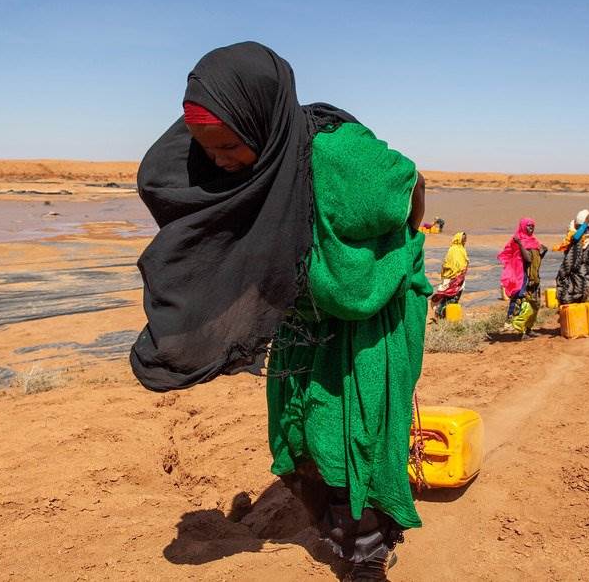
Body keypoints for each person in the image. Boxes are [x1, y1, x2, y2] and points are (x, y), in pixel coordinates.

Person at [129, 42, 430, 581]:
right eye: (205, 146)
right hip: (303, 317)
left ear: (260, 124)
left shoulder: (339, 156)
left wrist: (398, 252)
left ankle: (366, 555)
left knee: (353, 429)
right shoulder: (260, 157)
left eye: (226, 147)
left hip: (366, 314)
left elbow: (410, 184)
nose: (217, 161)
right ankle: (343, 529)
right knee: (308, 430)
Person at [497, 218, 547, 336]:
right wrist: (520, 244)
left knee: (534, 304)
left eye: (533, 226)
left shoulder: (534, 241)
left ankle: (528, 328)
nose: (531, 228)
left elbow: (535, 259)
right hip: (523, 278)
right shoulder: (518, 241)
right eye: (529, 226)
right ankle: (520, 331)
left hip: (534, 277)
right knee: (523, 303)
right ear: (523, 226)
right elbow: (528, 259)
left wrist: (543, 251)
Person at [554, 209, 589, 304]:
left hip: (586, 265)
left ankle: (579, 302)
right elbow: (576, 237)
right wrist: (586, 223)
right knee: (574, 286)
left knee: (584, 286)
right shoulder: (573, 232)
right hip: (575, 266)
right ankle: (570, 302)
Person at [430, 232, 469, 321]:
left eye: (465, 239)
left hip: (458, 277)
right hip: (452, 277)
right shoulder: (453, 250)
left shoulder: (461, 249)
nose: (464, 241)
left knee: (453, 297)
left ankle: (446, 315)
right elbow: (449, 264)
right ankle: (441, 314)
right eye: (463, 239)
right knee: (449, 297)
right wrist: (456, 273)